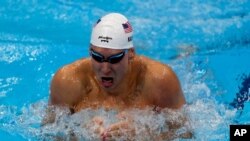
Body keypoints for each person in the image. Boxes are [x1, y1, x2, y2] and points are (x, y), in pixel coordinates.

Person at [45, 13, 192, 140]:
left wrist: (144, 136)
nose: (105, 69)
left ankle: (185, 53)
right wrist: (80, 134)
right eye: (97, 57)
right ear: (90, 51)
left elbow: (187, 134)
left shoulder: (160, 80)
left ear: (131, 53)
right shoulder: (67, 81)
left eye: (114, 59)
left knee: (183, 61)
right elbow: (45, 134)